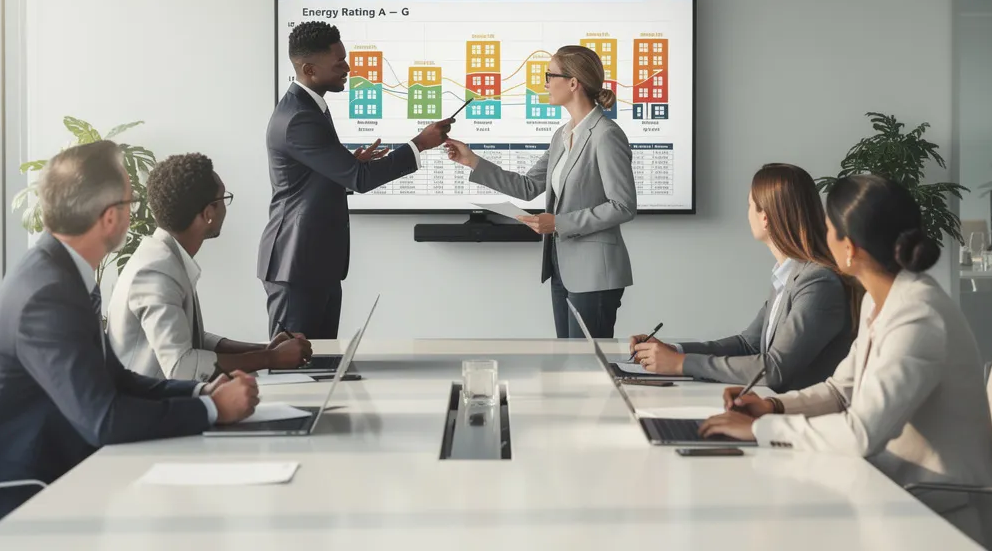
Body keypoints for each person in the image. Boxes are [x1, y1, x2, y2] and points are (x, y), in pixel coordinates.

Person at [0, 141, 260, 551]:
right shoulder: (47, 293)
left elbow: (117, 380)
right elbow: (103, 419)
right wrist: (213, 410)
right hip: (13, 503)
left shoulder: (61, 274)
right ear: (110, 217)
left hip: (51, 473)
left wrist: (200, 392)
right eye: (131, 202)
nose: (135, 213)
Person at [699, 175, 992, 551]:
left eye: (828, 229)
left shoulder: (918, 316)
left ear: (849, 248)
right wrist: (772, 406)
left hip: (941, 516)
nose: (823, 237)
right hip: (896, 492)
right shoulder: (881, 302)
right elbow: (840, 391)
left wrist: (761, 429)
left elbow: (861, 434)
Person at [259, 21, 454, 338]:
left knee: (323, 361)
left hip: (313, 264)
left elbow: (311, 179)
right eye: (339, 63)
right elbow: (360, 180)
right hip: (297, 265)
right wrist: (419, 144)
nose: (348, 68)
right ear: (309, 69)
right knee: (293, 362)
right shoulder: (300, 118)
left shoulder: (309, 108)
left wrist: (349, 165)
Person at [444, 45, 635, 338]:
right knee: (569, 358)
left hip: (595, 273)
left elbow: (622, 205)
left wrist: (559, 223)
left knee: (587, 361)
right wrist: (472, 161)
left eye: (549, 75)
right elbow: (528, 186)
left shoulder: (606, 135)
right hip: (561, 267)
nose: (544, 84)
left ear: (573, 83)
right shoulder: (563, 135)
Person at [628, 163, 858, 391]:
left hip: (797, 409)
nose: (748, 214)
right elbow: (748, 344)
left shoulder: (817, 282)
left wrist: (682, 364)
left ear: (765, 217)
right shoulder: (788, 275)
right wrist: (675, 351)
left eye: (750, 205)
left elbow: (775, 368)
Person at [109, 153, 313, 382]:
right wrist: (271, 359)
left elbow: (190, 339)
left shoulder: (164, 256)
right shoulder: (156, 272)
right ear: (208, 214)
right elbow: (181, 366)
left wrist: (265, 350)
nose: (226, 206)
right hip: (152, 402)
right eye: (223, 198)